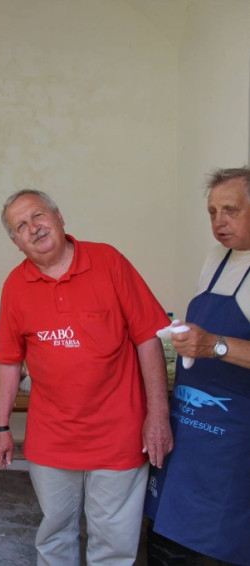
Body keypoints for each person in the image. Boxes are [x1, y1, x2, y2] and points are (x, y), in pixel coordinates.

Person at [0, 189, 173, 565]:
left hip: (120, 433)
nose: (34, 228)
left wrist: (158, 415)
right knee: (54, 537)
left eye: (38, 216)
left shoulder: (108, 261)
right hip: (52, 438)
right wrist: (1, 427)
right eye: (21, 226)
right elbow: (9, 362)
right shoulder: (15, 285)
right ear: (16, 242)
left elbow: (147, 338)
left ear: (59, 217)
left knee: (114, 544)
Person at [145, 167, 250, 565]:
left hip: (232, 445)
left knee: (212, 547)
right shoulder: (217, 257)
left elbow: (216, 342)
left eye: (231, 210)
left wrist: (214, 345)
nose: (219, 221)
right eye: (212, 212)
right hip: (188, 433)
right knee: (164, 541)